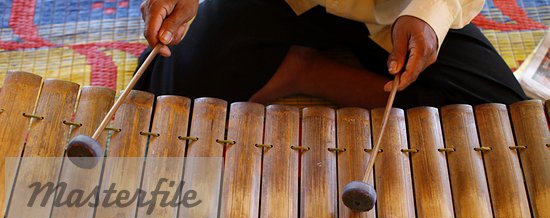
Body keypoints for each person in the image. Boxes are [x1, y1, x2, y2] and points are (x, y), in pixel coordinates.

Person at [134, 0, 527, 109]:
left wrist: (430, 14)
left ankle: (299, 71)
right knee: (168, 86)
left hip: (398, 10)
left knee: (499, 116)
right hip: (289, 2)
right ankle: (302, 71)